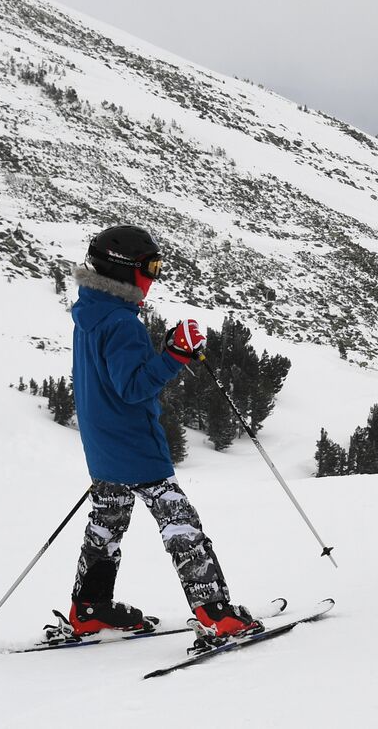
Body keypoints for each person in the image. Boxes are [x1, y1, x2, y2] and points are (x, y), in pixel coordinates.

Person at [65, 224, 260, 638]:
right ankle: (215, 613)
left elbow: (109, 378)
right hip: (135, 446)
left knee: (107, 520)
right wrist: (174, 356)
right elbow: (133, 386)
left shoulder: (91, 311)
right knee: (179, 523)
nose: (152, 277)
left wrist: (165, 352)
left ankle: (90, 608)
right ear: (124, 270)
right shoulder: (121, 323)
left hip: (101, 446)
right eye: (149, 267)